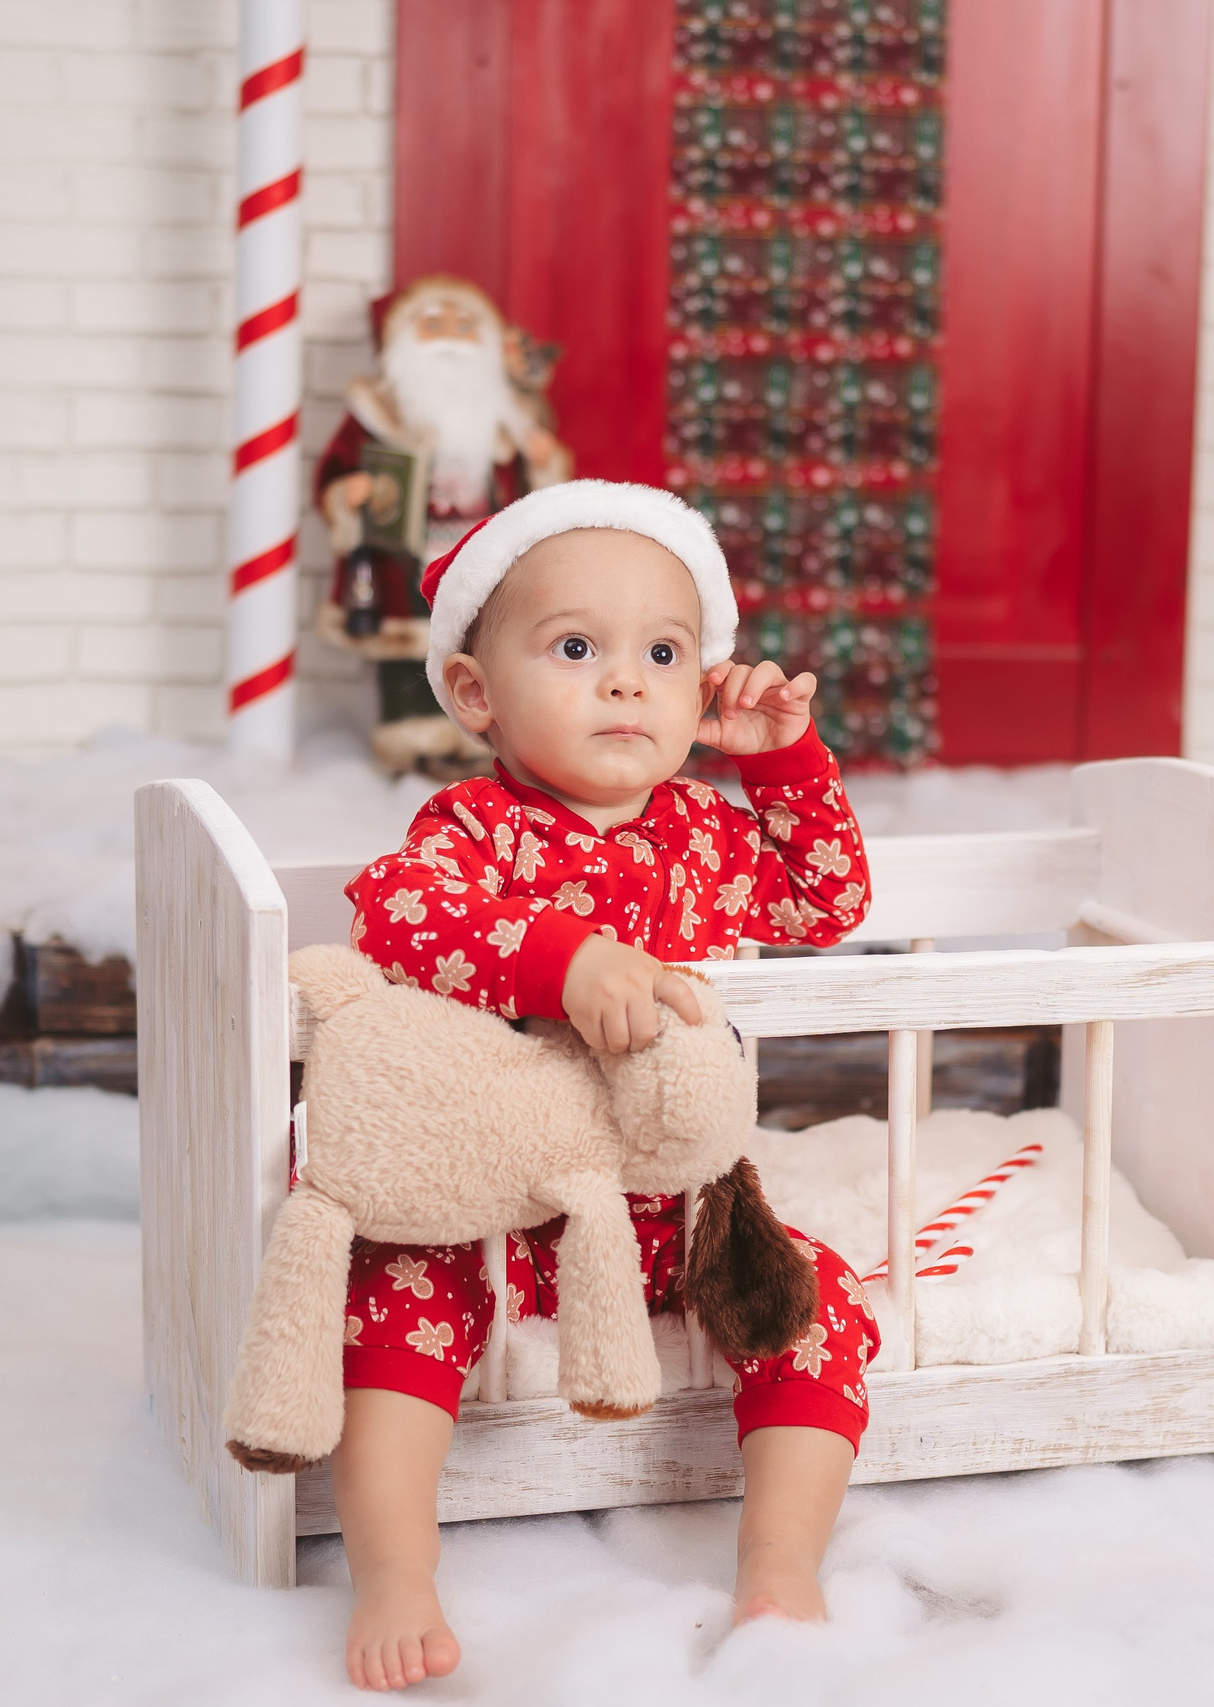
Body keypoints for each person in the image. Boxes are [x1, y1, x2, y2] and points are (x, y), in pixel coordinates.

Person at [331, 480, 877, 1690]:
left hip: (671, 1211)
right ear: (475, 693)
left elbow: (826, 900)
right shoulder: (476, 830)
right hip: (503, 1200)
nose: (626, 681)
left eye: (664, 653)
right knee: (391, 1288)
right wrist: (558, 959)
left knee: (813, 1302)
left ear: (699, 687)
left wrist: (780, 757)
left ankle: (780, 1558)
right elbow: (398, 912)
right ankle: (393, 1566)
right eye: (576, 649)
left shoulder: (710, 836)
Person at [315, 276, 574, 777]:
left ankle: (475, 738)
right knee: (408, 644)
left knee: (480, 642)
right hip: (405, 552)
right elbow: (335, 471)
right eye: (434, 326)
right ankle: (411, 739)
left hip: (482, 548)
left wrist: (544, 461)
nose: (451, 338)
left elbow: (535, 486)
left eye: (464, 326)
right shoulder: (378, 412)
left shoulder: (506, 416)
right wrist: (349, 492)